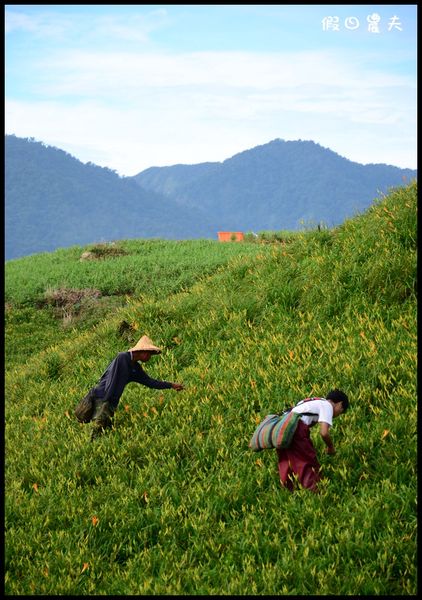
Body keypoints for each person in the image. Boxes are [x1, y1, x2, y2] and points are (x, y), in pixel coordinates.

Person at [75, 335, 184, 440]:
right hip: (102, 398)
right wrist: (106, 402)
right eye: (149, 353)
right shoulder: (122, 357)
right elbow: (110, 380)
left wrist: (171, 385)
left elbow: (150, 382)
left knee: (105, 431)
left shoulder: (135, 368)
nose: (150, 357)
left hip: (109, 402)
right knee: (98, 432)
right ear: (142, 351)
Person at [276, 389, 349, 492]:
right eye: (341, 411)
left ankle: (289, 490)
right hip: (296, 429)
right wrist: (330, 447)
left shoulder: (312, 401)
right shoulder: (328, 406)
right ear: (340, 404)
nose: (337, 415)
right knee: (308, 459)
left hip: (283, 427)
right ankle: (316, 491)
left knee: (287, 460)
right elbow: (324, 433)